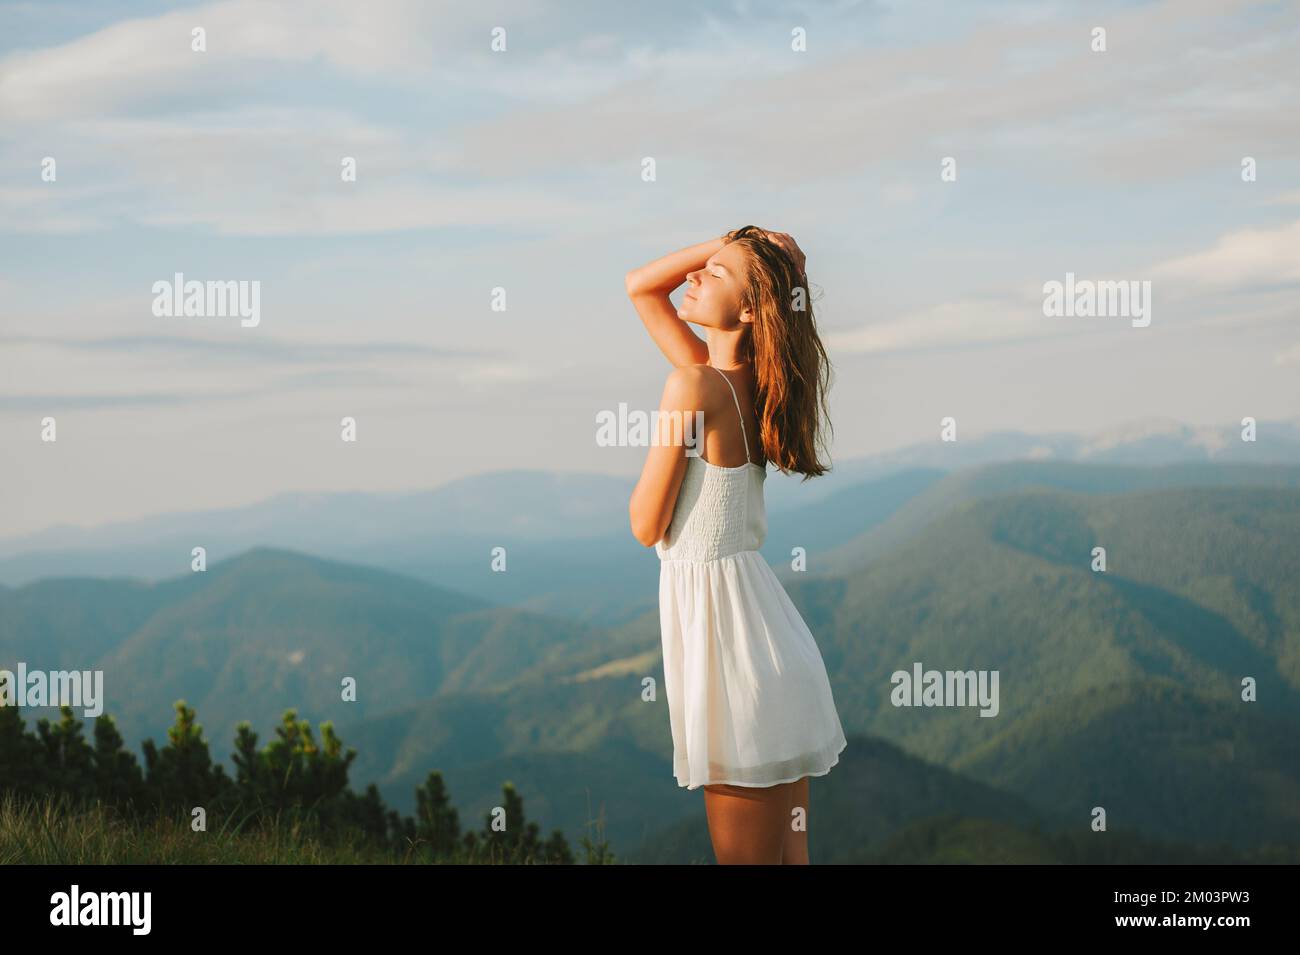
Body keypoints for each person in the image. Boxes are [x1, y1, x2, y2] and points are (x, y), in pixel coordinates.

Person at [626, 226, 848, 864]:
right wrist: (733, 246)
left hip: (732, 661)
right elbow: (641, 288)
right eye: (701, 267)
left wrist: (739, 248)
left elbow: (645, 525)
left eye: (714, 274)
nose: (693, 277)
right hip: (766, 649)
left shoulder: (693, 388)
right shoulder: (743, 384)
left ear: (751, 309)